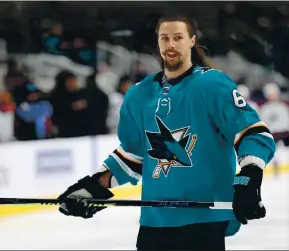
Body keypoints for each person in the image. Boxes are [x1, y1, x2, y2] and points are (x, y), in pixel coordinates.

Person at [57, 15, 276, 250]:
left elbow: (253, 134)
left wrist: (249, 178)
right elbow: (134, 156)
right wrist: (94, 187)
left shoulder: (213, 86)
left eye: (178, 37)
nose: (170, 44)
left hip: (203, 222)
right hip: (154, 222)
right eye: (165, 38)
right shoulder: (139, 95)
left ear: (191, 41)